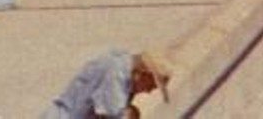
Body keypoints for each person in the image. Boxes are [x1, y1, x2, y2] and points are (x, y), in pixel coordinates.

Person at [42, 49, 174, 119]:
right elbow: (111, 115)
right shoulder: (116, 76)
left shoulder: (120, 63)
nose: (149, 91)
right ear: (143, 74)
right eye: (152, 85)